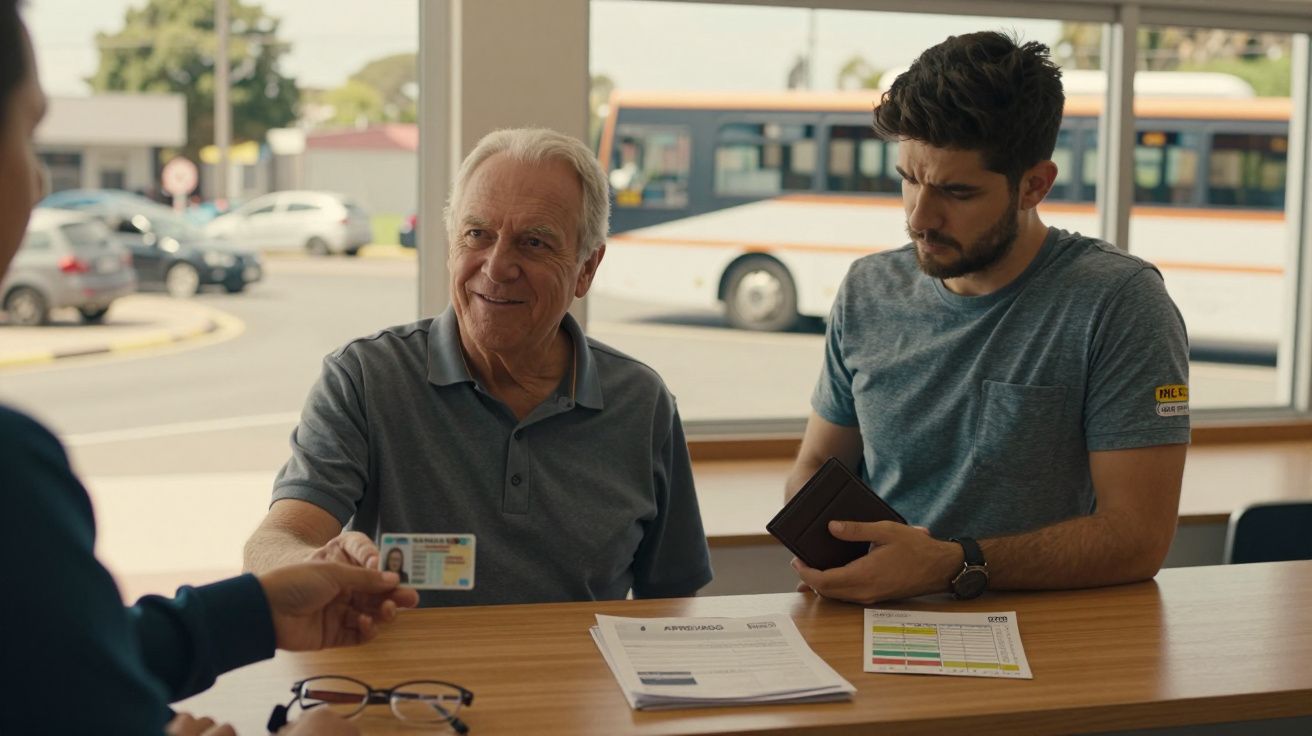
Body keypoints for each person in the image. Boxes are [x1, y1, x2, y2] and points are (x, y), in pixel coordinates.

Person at [0, 4, 419, 734]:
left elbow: (58, 657)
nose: (37, 183)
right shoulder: (12, 473)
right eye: (27, 134)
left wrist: (253, 612)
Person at [786, 31, 1190, 605]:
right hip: (877, 619)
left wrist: (951, 564)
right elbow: (814, 467)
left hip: (1047, 638)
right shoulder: (867, 289)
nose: (921, 217)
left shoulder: (1119, 301)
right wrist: (826, 546)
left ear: (1034, 185)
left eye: (957, 191)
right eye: (908, 180)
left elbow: (1139, 539)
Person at [243, 128, 712, 606]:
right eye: (477, 235)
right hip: (409, 677)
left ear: (586, 269)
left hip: (577, 680)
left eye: (533, 242)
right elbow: (275, 541)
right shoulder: (366, 378)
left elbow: (674, 599)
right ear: (451, 246)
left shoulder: (642, 402)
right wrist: (319, 567)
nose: (496, 266)